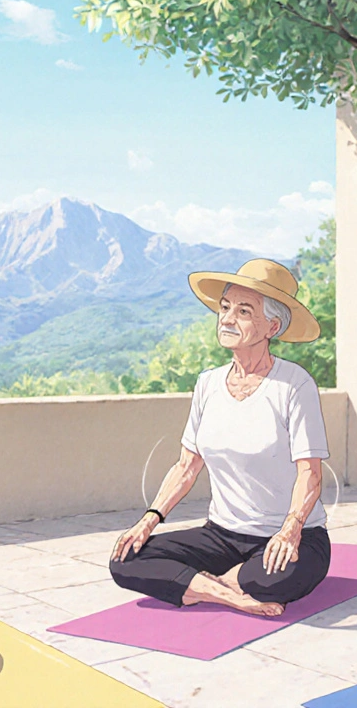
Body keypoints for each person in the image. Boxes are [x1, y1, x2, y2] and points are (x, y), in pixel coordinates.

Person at [109, 259, 332, 617]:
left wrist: (290, 531)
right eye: (225, 308)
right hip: (221, 535)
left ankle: (202, 584)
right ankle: (229, 593)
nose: (227, 319)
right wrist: (148, 520)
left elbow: (310, 473)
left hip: (293, 536)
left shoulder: (295, 384)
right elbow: (186, 466)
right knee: (127, 558)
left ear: (272, 326)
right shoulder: (208, 384)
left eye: (244, 311)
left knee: (277, 576)